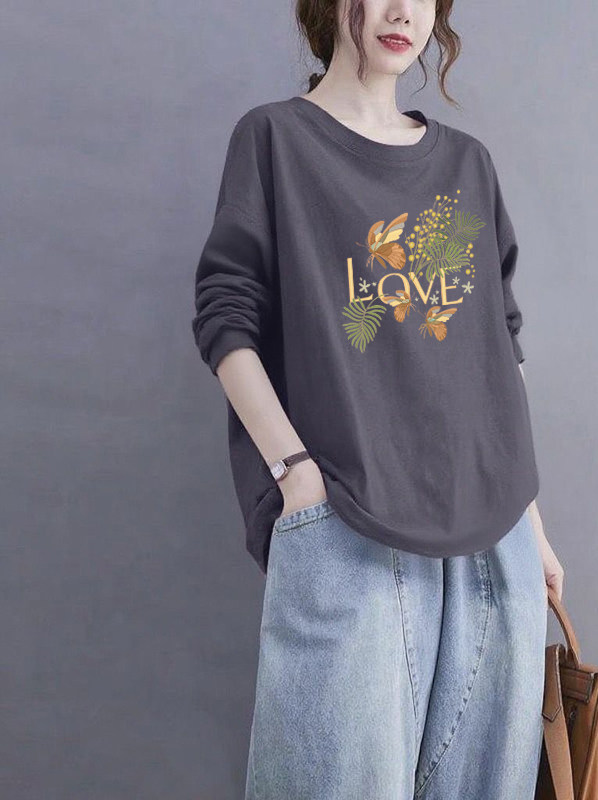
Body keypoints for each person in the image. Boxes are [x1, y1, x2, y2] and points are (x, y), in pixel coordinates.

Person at [191, 0, 566, 797]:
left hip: (492, 538)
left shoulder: (466, 165)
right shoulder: (276, 140)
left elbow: (498, 345)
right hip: (348, 526)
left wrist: (532, 524)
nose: (403, 12)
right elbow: (226, 317)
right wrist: (294, 473)